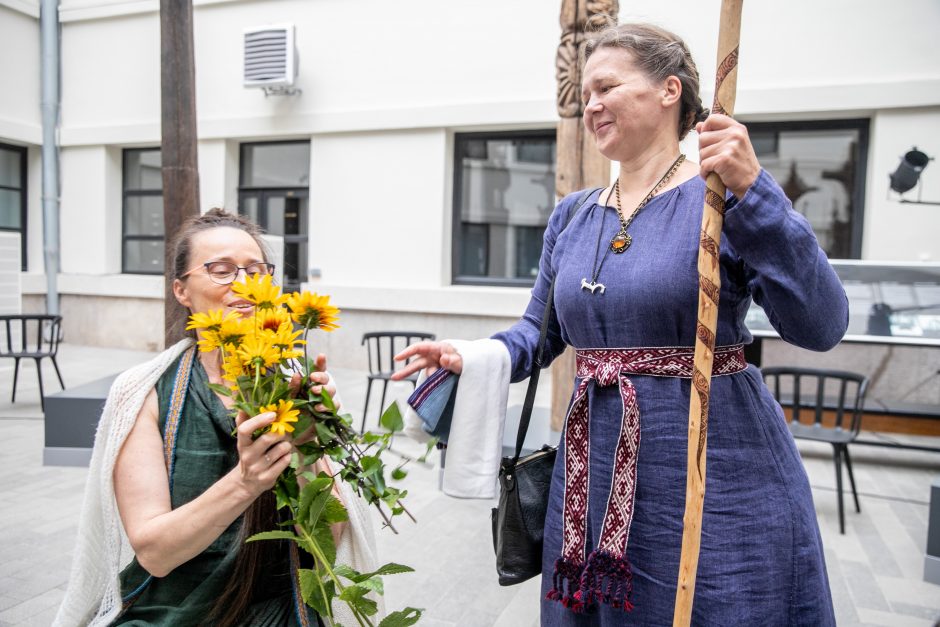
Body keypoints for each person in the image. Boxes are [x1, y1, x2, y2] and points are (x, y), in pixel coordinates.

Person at [394, 23, 847, 626]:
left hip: (712, 460)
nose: (592, 105)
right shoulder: (573, 215)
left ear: (669, 90)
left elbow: (820, 324)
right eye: (585, 94)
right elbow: (540, 331)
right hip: (593, 465)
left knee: (714, 603)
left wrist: (753, 188)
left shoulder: (723, 199)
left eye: (607, 86)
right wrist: (473, 355)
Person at [54, 209, 379, 627]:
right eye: (221, 271)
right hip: (171, 607)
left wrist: (307, 445)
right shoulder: (145, 392)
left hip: (282, 607)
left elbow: (327, 546)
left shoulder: (296, 383)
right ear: (181, 291)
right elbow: (154, 553)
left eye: (256, 271)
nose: (243, 285)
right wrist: (246, 482)